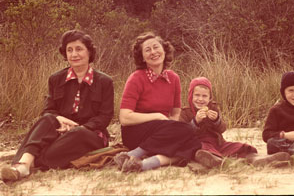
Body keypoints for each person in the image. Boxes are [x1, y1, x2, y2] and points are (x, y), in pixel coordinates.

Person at [1, 30, 114, 181]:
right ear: (65, 54)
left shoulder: (104, 81)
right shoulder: (56, 79)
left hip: (90, 135)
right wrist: (62, 120)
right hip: (61, 132)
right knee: (47, 119)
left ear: (89, 52)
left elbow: (105, 116)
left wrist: (81, 127)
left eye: (79, 49)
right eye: (70, 50)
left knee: (78, 134)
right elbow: (49, 110)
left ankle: (30, 162)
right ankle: (23, 166)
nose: (74, 54)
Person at [113, 31, 201, 172]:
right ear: (142, 57)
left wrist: (170, 126)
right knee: (187, 132)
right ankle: (134, 153)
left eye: (156, 47)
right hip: (135, 132)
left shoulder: (174, 78)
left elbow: (175, 112)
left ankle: (144, 164)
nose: (153, 52)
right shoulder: (136, 78)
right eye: (147, 50)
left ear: (164, 50)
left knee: (194, 142)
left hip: (162, 131)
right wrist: (157, 116)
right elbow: (124, 118)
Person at [180, 77, 290, 168]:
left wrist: (216, 120)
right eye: (197, 95)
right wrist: (196, 121)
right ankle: (216, 161)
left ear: (209, 98)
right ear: (191, 96)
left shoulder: (213, 108)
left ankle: (257, 159)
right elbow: (182, 134)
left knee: (243, 148)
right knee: (202, 150)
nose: (200, 99)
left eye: (204, 96)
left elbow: (223, 129)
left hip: (219, 144)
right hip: (200, 144)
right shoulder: (185, 112)